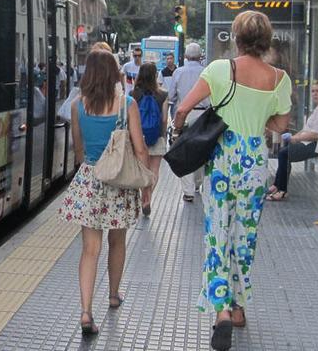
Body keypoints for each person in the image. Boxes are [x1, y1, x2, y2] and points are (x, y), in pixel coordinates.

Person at [173, 10, 292, 351]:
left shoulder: (220, 70)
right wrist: (258, 114)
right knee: (244, 236)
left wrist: (178, 132)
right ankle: (239, 306)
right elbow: (281, 126)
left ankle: (222, 311)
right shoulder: (279, 78)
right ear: (266, 40)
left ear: (236, 38)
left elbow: (183, 109)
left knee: (217, 232)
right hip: (255, 159)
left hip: (223, 158)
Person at [58, 50, 147, 336]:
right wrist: (146, 184)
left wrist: (89, 166)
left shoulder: (77, 106)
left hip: (90, 178)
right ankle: (113, 294)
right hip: (119, 181)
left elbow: (79, 150)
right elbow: (141, 148)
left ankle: (85, 312)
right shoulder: (127, 104)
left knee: (90, 249)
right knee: (117, 241)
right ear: (113, 74)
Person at [267, 81, 318, 201]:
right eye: (313, 91)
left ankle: (281, 190)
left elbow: (316, 134)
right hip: (314, 143)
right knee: (285, 152)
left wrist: (296, 138)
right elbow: (307, 129)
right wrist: (295, 137)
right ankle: (277, 185)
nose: (314, 94)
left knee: (284, 154)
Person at [170, 42, 208, 202]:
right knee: (200, 151)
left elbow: (171, 96)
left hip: (184, 114)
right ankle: (198, 183)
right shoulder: (206, 71)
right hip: (203, 115)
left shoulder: (178, 72)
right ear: (200, 56)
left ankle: (188, 191)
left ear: (185, 56)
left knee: (185, 152)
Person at [130, 62, 169, 216]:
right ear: (155, 75)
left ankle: (143, 194)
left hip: (139, 137)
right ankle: (148, 198)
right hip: (157, 136)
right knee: (154, 170)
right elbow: (165, 118)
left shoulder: (133, 94)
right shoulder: (163, 94)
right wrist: (164, 135)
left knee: (141, 169)